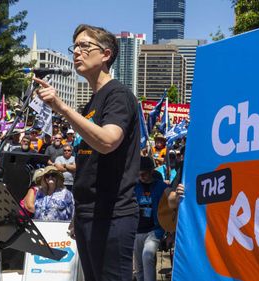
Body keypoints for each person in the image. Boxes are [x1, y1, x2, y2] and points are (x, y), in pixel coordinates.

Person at [34, 24, 140, 281]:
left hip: (113, 214)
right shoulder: (92, 102)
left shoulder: (118, 95)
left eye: (85, 46)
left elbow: (108, 142)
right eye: (75, 47)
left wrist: (62, 108)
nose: (77, 52)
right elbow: (89, 164)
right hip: (87, 215)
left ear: (105, 54)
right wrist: (78, 213)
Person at [133, 157, 167, 281]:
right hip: (136, 230)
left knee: (147, 257)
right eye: (139, 173)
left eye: (144, 173)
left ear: (151, 171)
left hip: (154, 230)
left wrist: (169, 232)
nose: (141, 176)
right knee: (138, 267)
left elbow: (171, 209)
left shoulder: (162, 187)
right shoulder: (134, 187)